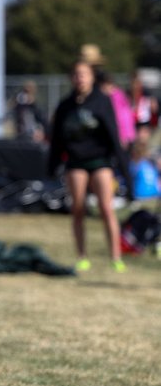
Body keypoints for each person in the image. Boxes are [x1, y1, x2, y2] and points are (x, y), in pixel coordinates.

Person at [48, 59, 132, 273]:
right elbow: (57, 139)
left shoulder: (102, 101)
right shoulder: (66, 106)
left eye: (84, 74)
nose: (80, 78)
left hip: (100, 160)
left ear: (92, 77)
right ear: (71, 78)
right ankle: (82, 256)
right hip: (76, 162)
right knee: (78, 208)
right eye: (76, 74)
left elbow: (114, 136)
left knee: (106, 208)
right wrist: (52, 166)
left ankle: (115, 257)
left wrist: (125, 172)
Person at [97, 71, 134, 148]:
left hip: (122, 135)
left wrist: (123, 136)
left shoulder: (115, 97)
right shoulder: (115, 95)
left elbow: (122, 118)